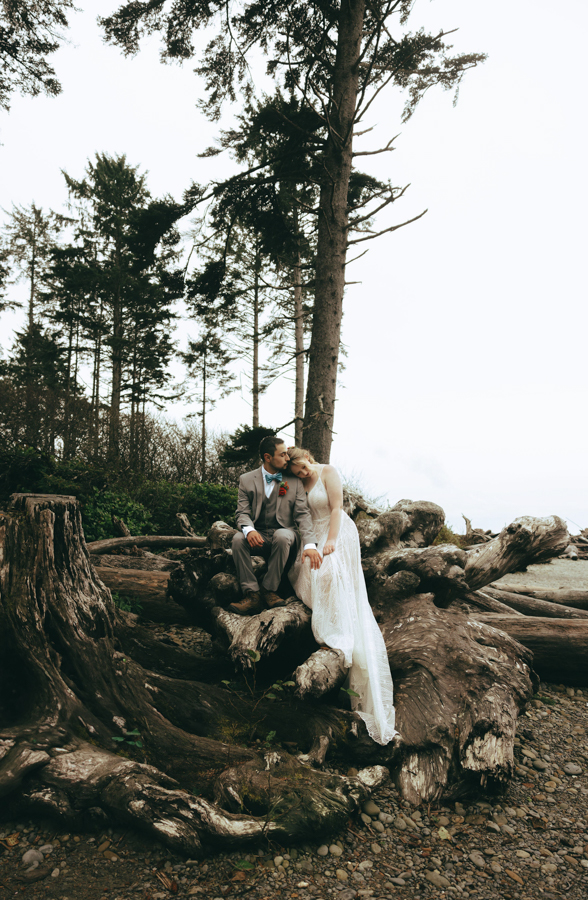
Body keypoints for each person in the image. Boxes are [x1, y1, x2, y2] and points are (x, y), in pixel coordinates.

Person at [287, 447, 398, 746]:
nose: (302, 473)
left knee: (327, 572)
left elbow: (337, 509)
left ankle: (336, 631)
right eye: (296, 472)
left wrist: (332, 541)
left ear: (306, 457)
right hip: (315, 534)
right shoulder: (297, 483)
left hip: (338, 532)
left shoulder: (328, 471)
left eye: (302, 467)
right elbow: (302, 517)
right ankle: (330, 616)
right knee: (308, 571)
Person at [229, 436, 322, 615]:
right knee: (237, 539)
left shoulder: (293, 481)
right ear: (268, 457)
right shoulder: (246, 480)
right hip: (259, 535)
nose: (287, 458)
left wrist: (310, 544)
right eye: (283, 454)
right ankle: (251, 594)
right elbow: (242, 512)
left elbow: (303, 514)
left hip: (285, 534)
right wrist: (249, 531)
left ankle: (269, 589)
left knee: (282, 535)